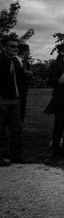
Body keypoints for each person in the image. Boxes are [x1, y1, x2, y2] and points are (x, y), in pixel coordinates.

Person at [0, 35, 26, 165]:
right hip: (2, 99)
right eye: (12, 46)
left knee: (17, 129)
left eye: (17, 47)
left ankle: (16, 155)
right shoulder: (1, 61)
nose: (15, 49)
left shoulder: (16, 62)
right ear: (4, 47)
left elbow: (20, 81)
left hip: (15, 100)